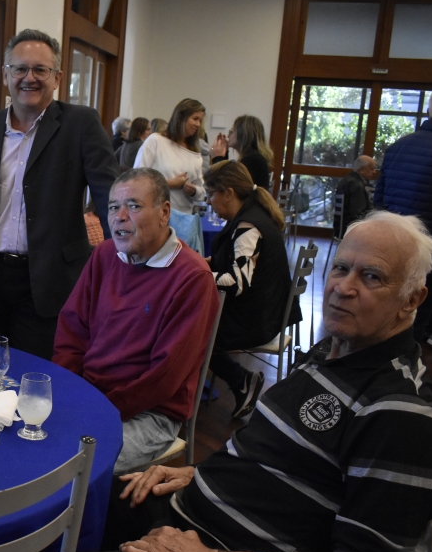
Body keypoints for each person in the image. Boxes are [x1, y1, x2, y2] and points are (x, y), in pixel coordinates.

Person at [0, 210, 432, 552]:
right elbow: (274, 456)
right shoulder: (331, 354)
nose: (343, 287)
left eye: (371, 276)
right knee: (27, 529)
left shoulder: (402, 410)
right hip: (190, 510)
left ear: (412, 299)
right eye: (341, 268)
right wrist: (196, 474)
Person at [0, 29, 119, 359]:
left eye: (40, 69)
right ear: (5, 75)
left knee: (33, 374)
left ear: (57, 78)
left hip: (49, 279)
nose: (29, 78)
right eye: (20, 69)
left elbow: (110, 197)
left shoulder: (80, 124)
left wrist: (117, 261)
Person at [53, 168, 218, 473]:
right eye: (113, 207)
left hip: (149, 413)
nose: (119, 217)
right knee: (25, 438)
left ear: (164, 212)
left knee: (70, 465)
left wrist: (96, 410)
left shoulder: (192, 277)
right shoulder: (104, 255)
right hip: (89, 395)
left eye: (133, 206)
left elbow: (163, 378)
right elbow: (72, 331)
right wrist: (68, 393)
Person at [373, 87, 432, 383]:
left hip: (394, 242)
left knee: (393, 305)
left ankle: (382, 368)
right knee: (423, 311)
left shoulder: (399, 146)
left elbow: (379, 201)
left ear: (428, 112)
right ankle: (409, 375)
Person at [204, 161, 293, 418]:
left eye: (211, 194)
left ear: (229, 193)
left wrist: (199, 275)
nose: (209, 201)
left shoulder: (248, 227)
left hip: (255, 321)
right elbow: (234, 260)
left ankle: (240, 380)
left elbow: (237, 281)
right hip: (265, 311)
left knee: (189, 329)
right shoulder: (253, 215)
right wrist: (203, 263)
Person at [134, 99, 207, 213]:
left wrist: (194, 191)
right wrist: (169, 184)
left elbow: (201, 192)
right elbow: (137, 179)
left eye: (200, 121)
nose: (198, 124)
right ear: (181, 117)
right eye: (195, 119)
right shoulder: (156, 141)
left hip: (184, 216)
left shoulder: (194, 152)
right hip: (155, 214)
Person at [209, 114, 274, 190]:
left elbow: (225, 186)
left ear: (243, 134)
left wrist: (217, 158)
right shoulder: (252, 158)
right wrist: (223, 155)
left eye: (231, 132)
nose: (228, 136)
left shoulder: (254, 160)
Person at [334, 155, 378, 238]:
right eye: (371, 169)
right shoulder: (357, 185)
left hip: (340, 226)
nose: (374, 172)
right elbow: (358, 214)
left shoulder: (346, 180)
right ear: (362, 169)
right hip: (350, 229)